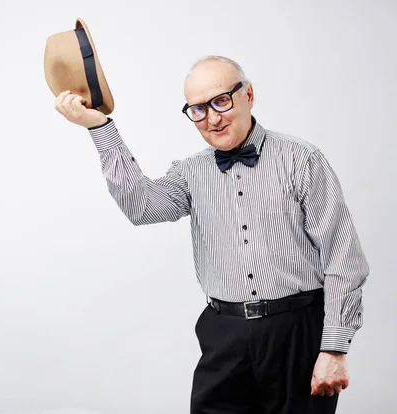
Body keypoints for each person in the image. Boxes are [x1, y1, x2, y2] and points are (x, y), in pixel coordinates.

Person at [53, 55, 369, 414]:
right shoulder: (190, 172)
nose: (213, 118)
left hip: (297, 332)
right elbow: (141, 207)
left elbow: (343, 260)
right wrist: (100, 128)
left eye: (221, 101)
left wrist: (334, 349)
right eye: (198, 109)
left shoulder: (302, 159)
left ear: (248, 95)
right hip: (224, 334)